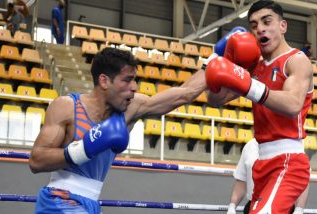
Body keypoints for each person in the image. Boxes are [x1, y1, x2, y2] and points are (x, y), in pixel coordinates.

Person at [28, 47, 207, 213]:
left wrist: (214, 61)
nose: (134, 87)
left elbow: (186, 93)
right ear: (104, 81)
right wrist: (83, 150)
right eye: (127, 80)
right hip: (58, 200)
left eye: (134, 80)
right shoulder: (67, 107)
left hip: (90, 204)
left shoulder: (130, 108)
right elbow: (36, 161)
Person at [205, 0, 313, 213]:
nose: (260, 28)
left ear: (283, 26)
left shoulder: (296, 61)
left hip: (288, 160)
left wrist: (250, 85)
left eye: (266, 21)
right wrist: (218, 61)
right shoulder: (254, 66)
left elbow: (293, 105)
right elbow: (214, 99)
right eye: (254, 25)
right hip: (261, 163)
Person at [226, 139, 309, 214]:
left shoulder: (291, 145)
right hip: (254, 204)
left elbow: (302, 180)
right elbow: (241, 181)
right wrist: (232, 206)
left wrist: (299, 209)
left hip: (283, 206)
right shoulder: (249, 146)